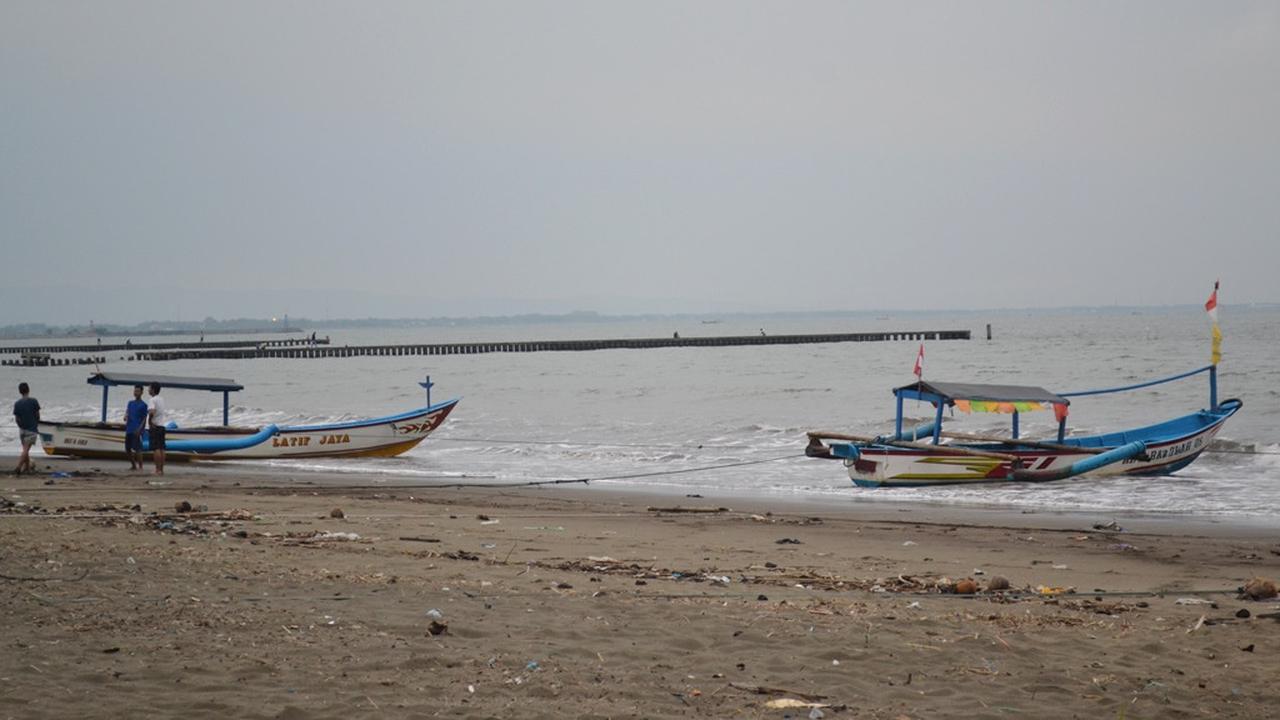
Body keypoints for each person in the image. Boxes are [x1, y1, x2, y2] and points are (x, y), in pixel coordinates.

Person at [13, 382, 40, 475]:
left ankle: (27, 468)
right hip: (31, 429)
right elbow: (37, 415)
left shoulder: (17, 403)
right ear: (28, 389)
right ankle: (18, 467)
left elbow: (17, 419)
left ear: (20, 391)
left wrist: (21, 426)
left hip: (22, 430)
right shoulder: (34, 401)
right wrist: (36, 423)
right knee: (25, 450)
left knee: (25, 450)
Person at [123, 385, 148, 471]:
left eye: (137, 391)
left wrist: (140, 429)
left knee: (138, 449)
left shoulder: (144, 405)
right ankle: (133, 465)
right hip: (129, 428)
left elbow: (144, 419)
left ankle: (140, 467)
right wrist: (126, 416)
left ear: (141, 392)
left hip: (136, 429)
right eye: (135, 391)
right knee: (127, 449)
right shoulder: (130, 403)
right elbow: (127, 412)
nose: (135, 393)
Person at [147, 382, 167, 475]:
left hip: (155, 425)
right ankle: (161, 469)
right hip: (162, 425)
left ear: (153, 389)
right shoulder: (161, 399)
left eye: (149, 388)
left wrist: (150, 421)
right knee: (162, 448)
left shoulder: (152, 400)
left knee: (156, 448)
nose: (148, 389)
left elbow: (152, 412)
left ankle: (157, 469)